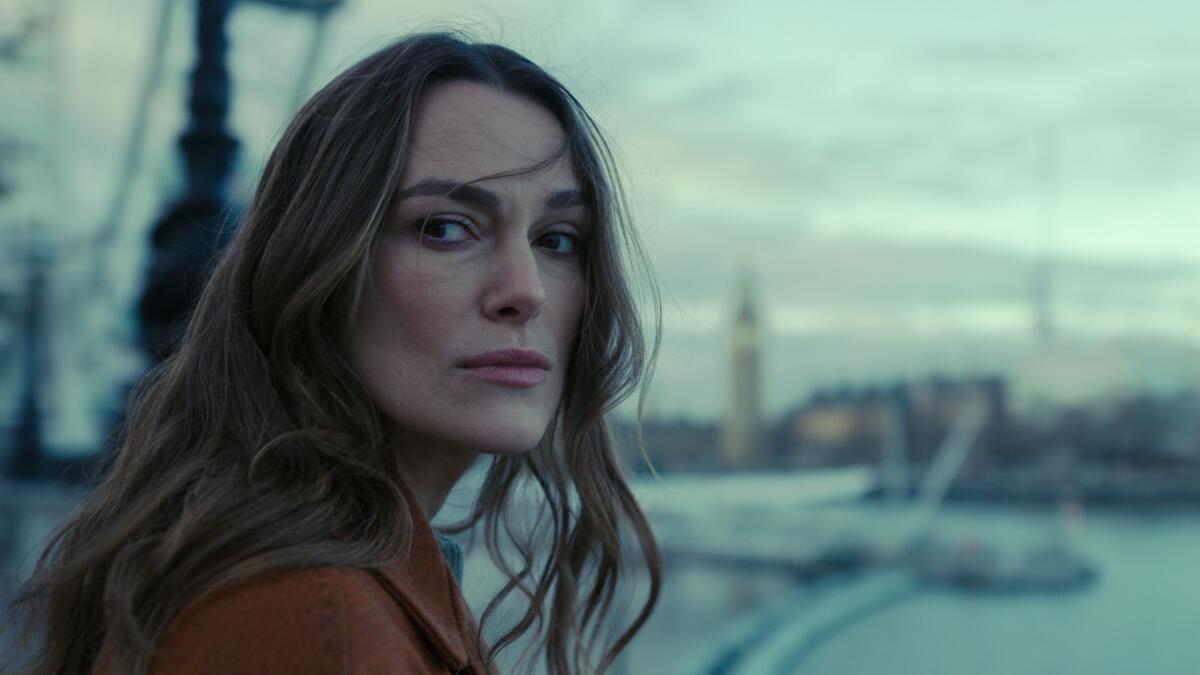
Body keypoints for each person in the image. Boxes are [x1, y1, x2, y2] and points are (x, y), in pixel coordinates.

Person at [8, 31, 661, 675]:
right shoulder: (320, 629)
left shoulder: (318, 573)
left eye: (558, 238)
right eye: (445, 228)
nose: (525, 290)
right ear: (318, 266)